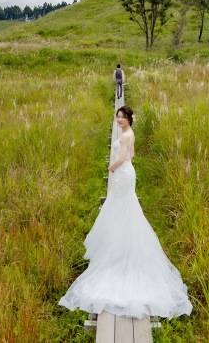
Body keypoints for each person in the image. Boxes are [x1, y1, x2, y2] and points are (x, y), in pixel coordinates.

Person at [59, 105, 192, 319]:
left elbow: (121, 158)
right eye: (118, 116)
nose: (119, 120)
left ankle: (118, 245)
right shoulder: (130, 134)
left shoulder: (125, 136)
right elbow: (133, 154)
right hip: (128, 173)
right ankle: (121, 242)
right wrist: (121, 165)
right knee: (126, 209)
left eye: (123, 117)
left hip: (122, 173)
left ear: (130, 119)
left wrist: (111, 168)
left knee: (119, 208)